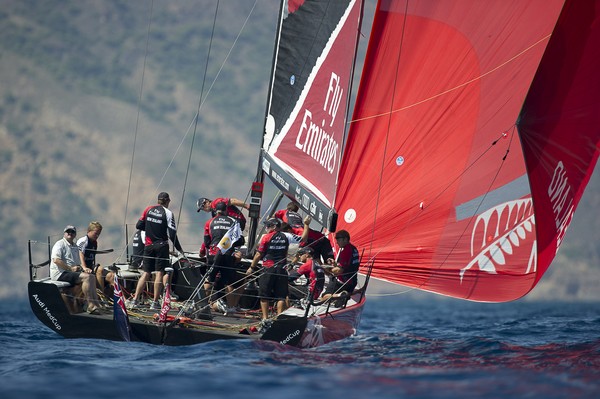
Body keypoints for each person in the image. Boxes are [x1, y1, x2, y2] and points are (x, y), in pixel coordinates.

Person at [127, 192, 183, 310]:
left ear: (158, 200)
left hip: (148, 246)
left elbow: (138, 225)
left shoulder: (148, 209)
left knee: (146, 273)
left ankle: (135, 300)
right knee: (159, 273)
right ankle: (155, 302)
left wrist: (149, 228)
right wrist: (179, 248)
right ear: (167, 201)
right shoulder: (168, 213)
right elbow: (172, 234)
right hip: (161, 246)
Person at [50, 225, 103, 314]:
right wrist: (70, 268)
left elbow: (77, 262)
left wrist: (83, 268)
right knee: (87, 278)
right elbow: (56, 260)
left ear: (75, 234)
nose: (70, 233)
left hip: (70, 272)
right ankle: (90, 305)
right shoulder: (59, 244)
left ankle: (96, 303)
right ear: (64, 233)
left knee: (92, 276)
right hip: (60, 273)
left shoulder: (74, 246)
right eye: (68, 231)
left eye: (72, 232)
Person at [246, 217, 289, 326]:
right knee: (281, 296)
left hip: (268, 269)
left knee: (264, 295)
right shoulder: (287, 236)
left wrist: (251, 267)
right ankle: (278, 320)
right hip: (282, 269)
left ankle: (265, 319)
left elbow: (258, 254)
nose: (266, 228)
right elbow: (302, 239)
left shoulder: (266, 237)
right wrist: (306, 225)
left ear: (274, 226)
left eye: (268, 226)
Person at [199, 201, 240, 313]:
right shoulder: (233, 221)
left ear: (216, 211)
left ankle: (205, 305)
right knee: (229, 282)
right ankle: (231, 308)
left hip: (213, 253)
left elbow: (207, 242)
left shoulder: (209, 222)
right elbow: (240, 240)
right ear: (226, 210)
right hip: (227, 254)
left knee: (209, 279)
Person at [321, 229, 360, 303]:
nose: (337, 242)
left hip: (342, 282)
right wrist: (335, 263)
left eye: (338, 240)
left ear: (345, 239)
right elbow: (347, 265)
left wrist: (327, 269)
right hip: (352, 282)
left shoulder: (346, 251)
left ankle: (340, 296)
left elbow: (339, 271)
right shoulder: (353, 248)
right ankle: (340, 299)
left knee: (323, 298)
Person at [77, 221, 114, 292]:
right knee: (100, 269)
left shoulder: (95, 243)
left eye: (99, 234)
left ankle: (116, 298)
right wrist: (84, 267)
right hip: (81, 267)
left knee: (111, 276)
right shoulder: (83, 241)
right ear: (89, 231)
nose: (97, 236)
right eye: (95, 233)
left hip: (91, 267)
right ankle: (102, 296)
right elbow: (80, 254)